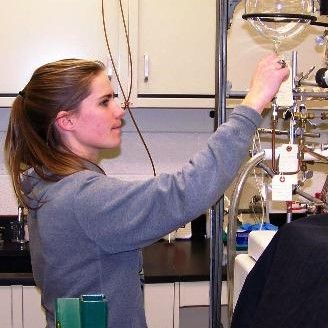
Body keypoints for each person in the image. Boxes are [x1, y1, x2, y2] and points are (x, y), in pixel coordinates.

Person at [4, 54, 288, 328]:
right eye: (104, 102)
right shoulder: (81, 196)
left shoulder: (48, 183)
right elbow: (186, 191)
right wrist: (254, 102)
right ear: (67, 121)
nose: (119, 110)